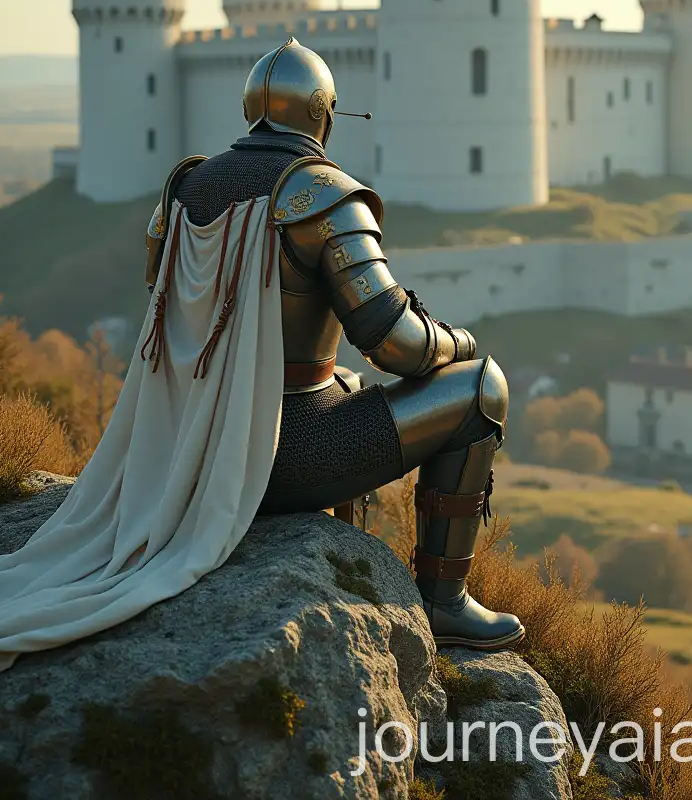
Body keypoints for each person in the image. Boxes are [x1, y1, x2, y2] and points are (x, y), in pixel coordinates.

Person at [147, 38, 523, 651]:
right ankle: (443, 603)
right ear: (323, 115)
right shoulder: (321, 194)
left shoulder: (186, 187)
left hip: (187, 446)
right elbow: (394, 342)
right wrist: (458, 341)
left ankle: (341, 559)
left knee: (342, 383)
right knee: (483, 388)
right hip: (280, 455)